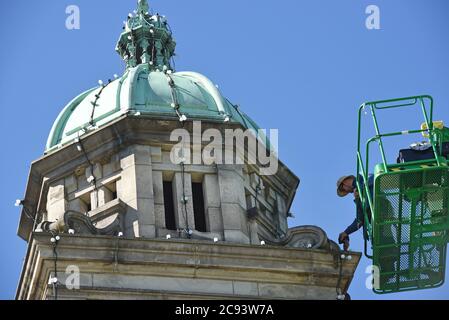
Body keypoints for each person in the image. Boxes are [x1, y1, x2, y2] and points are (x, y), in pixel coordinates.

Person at [336, 174, 374, 251]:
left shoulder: (363, 176)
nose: (347, 192)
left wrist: (360, 188)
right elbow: (359, 220)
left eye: (343, 189)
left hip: (381, 207)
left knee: (387, 237)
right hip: (374, 220)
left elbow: (374, 179)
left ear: (345, 183)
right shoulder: (357, 196)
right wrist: (346, 232)